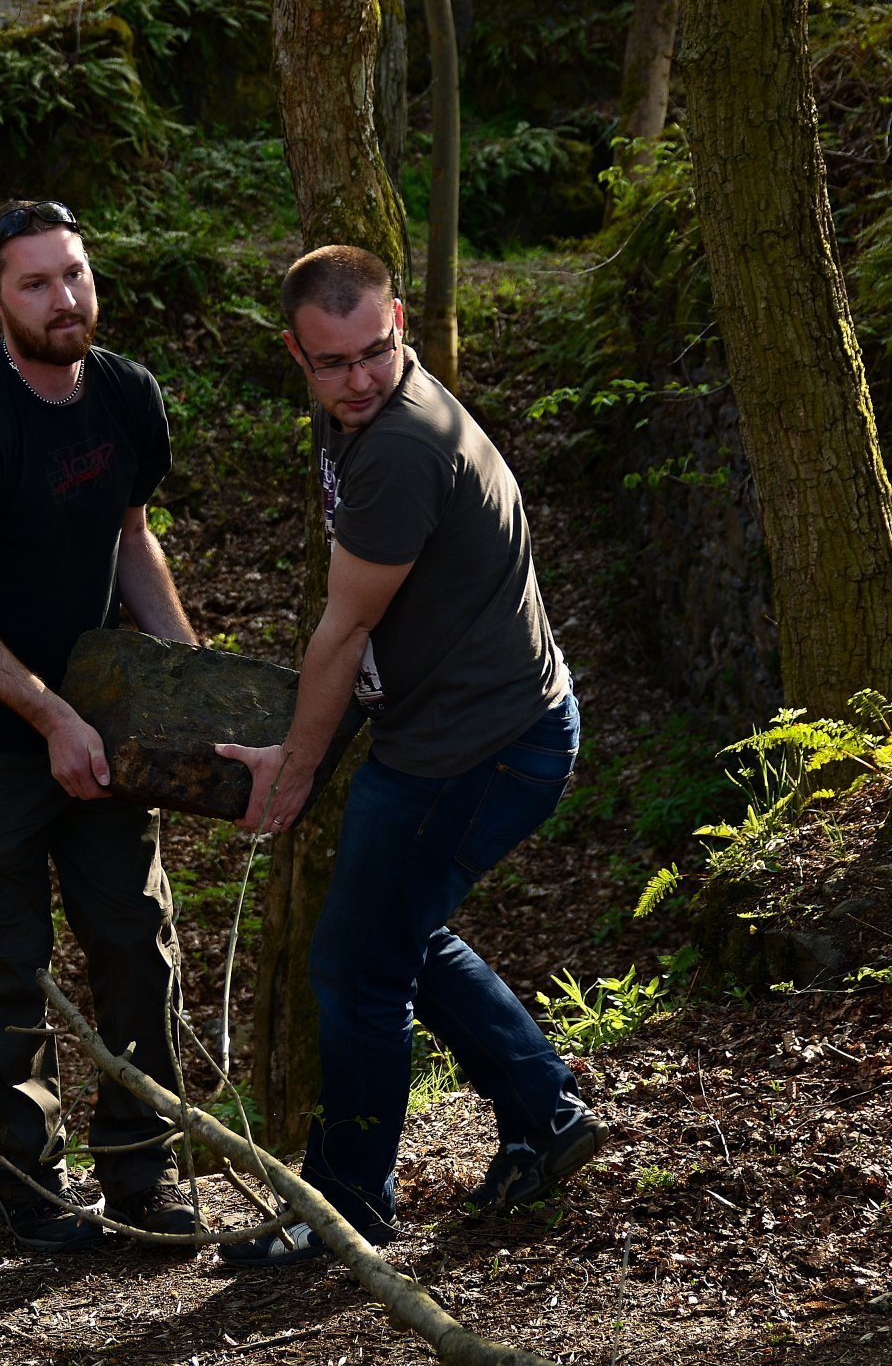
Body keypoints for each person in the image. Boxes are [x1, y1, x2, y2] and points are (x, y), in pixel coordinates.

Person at [214, 244, 604, 1267]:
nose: (357, 378)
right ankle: (544, 1109)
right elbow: (365, 634)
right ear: (295, 355)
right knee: (394, 934)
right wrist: (301, 745)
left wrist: (293, 772)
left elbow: (342, 633)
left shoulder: (396, 447)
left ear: (403, 328)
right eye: (331, 362)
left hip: (481, 750)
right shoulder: (360, 421)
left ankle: (344, 1212)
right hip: (480, 730)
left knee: (356, 966)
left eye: (374, 352)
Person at [0, 198, 198, 1253]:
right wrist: (48, 716)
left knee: (138, 946)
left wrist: (185, 681)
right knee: (6, 961)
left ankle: (146, 1174)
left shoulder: (125, 396)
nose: (64, 299)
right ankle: (34, 1190)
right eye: (35, 283)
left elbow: (132, 538)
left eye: (73, 273)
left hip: (100, 720)